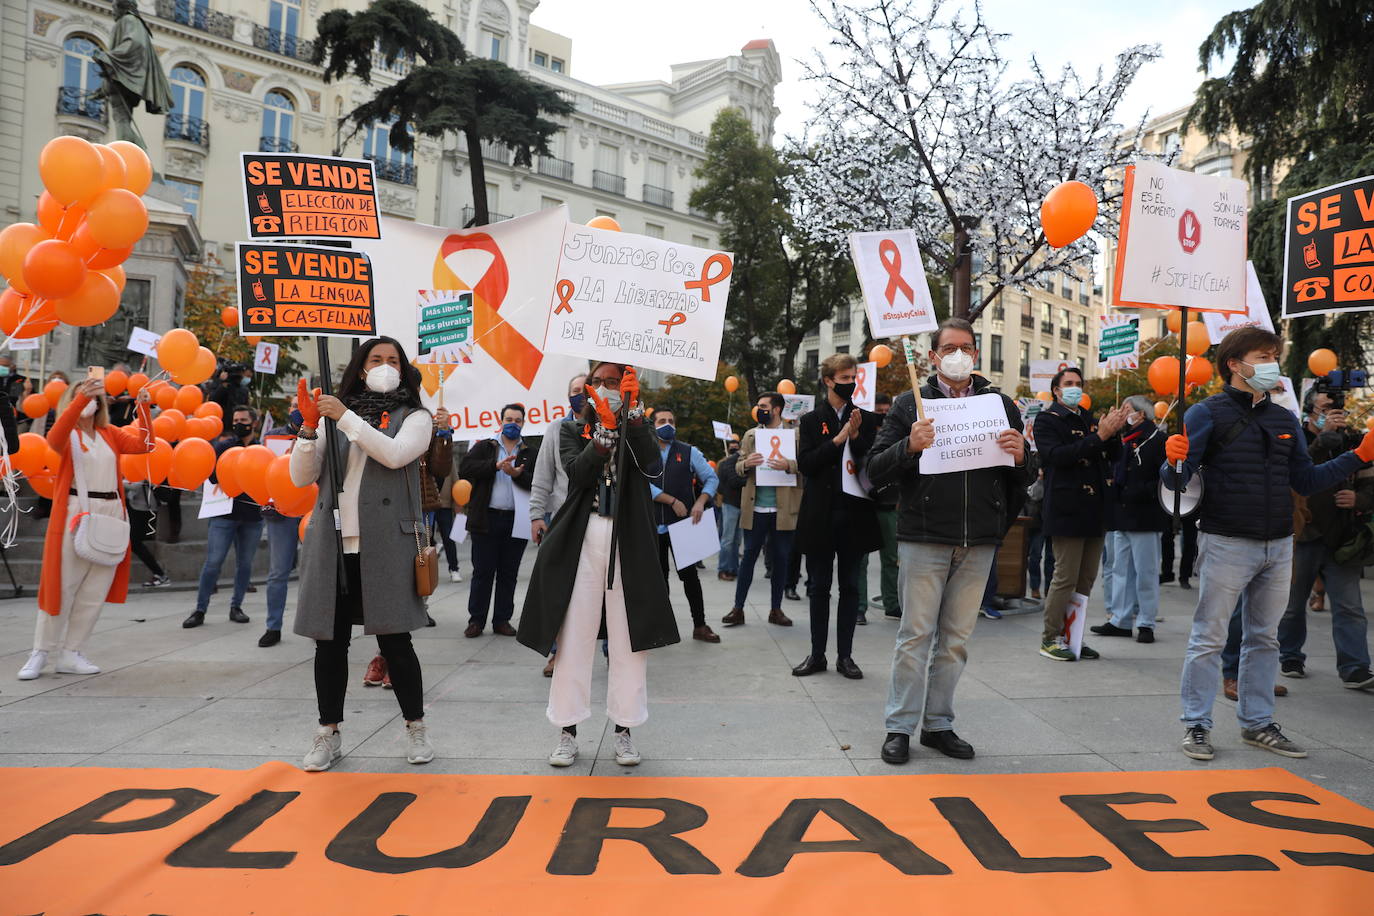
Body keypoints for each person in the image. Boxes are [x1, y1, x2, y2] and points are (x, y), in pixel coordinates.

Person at [1163, 327, 1374, 761]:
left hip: (1278, 544)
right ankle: (1197, 725)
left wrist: (1359, 456)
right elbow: (1179, 484)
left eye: (1274, 355)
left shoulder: (1283, 419)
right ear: (1234, 365)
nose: (1272, 363)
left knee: (1265, 639)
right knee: (1209, 638)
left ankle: (1257, 724)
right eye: (1264, 355)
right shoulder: (1207, 413)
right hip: (1225, 541)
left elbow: (1305, 480)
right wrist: (1171, 462)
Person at [868, 317, 1026, 762]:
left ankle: (938, 724)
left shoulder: (1000, 404)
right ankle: (899, 727)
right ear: (933, 356)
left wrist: (1022, 456)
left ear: (976, 355)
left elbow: (1022, 477)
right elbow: (875, 469)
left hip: (978, 542)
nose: (959, 355)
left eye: (968, 347)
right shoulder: (908, 405)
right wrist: (909, 447)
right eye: (950, 347)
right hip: (924, 538)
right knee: (914, 636)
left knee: (955, 640)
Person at [519, 363, 677, 768]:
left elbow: (652, 465)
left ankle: (624, 731)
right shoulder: (572, 431)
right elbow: (577, 473)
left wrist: (632, 414)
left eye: (614, 382)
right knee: (574, 634)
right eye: (601, 382)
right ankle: (567, 731)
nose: (606, 388)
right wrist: (604, 433)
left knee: (628, 638)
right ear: (588, 387)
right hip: (583, 537)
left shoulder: (638, 426)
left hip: (629, 540)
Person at [290, 337, 435, 771]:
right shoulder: (335, 417)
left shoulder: (416, 417)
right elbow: (301, 477)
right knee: (328, 644)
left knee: (395, 642)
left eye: (392, 360)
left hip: (385, 540)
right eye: (376, 359)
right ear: (360, 366)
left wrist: (345, 417)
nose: (384, 366)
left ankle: (415, 727)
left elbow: (394, 455)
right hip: (333, 544)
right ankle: (327, 732)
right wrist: (307, 428)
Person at [18, 379, 152, 680]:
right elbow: (54, 438)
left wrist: (143, 408)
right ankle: (41, 651)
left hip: (112, 511)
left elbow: (144, 444)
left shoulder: (109, 433)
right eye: (85, 394)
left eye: (95, 395)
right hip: (78, 509)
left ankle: (72, 652)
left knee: (95, 589)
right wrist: (80, 400)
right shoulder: (70, 433)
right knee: (62, 586)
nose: (92, 399)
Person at [1276, 393, 1374, 689]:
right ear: (1310, 412)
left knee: (1349, 606)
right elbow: (1294, 476)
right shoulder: (1295, 436)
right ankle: (1290, 655)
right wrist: (1322, 441)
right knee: (1292, 605)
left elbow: (1371, 483)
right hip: (1302, 534)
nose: (1332, 415)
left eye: (1336, 410)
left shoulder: (1356, 440)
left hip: (1341, 538)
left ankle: (1355, 667)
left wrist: (1360, 498)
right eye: (1324, 409)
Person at [793, 353, 881, 679]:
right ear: (829, 381)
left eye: (853, 377)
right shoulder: (812, 420)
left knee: (851, 588)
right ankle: (817, 655)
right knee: (819, 587)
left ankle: (846, 656)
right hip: (820, 515)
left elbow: (873, 463)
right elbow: (807, 464)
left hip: (854, 514)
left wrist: (856, 438)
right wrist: (839, 439)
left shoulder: (868, 419)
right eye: (844, 379)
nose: (851, 383)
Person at [1034, 367, 1127, 661]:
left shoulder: (1088, 418)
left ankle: (1073, 636)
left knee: (1086, 579)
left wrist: (1114, 432)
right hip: (1067, 509)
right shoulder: (1048, 420)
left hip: (1094, 509)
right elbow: (1057, 456)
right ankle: (1050, 637)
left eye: (1078, 383)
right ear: (1056, 390)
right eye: (1069, 384)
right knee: (1065, 576)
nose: (1075, 388)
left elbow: (1113, 456)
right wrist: (1100, 435)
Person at [1091, 395, 1168, 643]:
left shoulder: (1157, 440)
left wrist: (1138, 490)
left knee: (1145, 572)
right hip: (1120, 513)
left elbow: (1163, 479)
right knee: (1120, 569)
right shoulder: (1123, 439)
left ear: (1141, 414)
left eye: (1127, 410)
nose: (1123, 414)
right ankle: (1120, 620)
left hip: (1144, 515)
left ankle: (1146, 622)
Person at [528, 373, 589, 677]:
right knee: (558, 589)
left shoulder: (606, 428)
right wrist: (537, 515)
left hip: (598, 520)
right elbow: (543, 477)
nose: (579, 394)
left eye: (584, 389)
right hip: (562, 520)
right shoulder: (556, 429)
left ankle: (607, 650)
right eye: (574, 390)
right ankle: (556, 654)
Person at [722, 392, 798, 629]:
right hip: (755, 507)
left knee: (781, 560)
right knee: (749, 559)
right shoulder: (751, 435)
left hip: (783, 509)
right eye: (758, 406)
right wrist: (747, 464)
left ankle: (776, 609)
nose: (759, 410)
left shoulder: (794, 436)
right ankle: (738, 608)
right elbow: (738, 465)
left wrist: (789, 465)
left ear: (777, 410)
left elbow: (804, 467)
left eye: (764, 406)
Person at [183, 406, 263, 629]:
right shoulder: (224, 446)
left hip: (252, 516)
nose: (239, 423)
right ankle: (200, 609)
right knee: (213, 563)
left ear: (254, 423)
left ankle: (236, 606)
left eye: (243, 419)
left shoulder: (262, 449)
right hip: (223, 515)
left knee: (245, 564)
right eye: (235, 419)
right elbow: (211, 475)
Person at [459, 404, 536, 638]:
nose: (513, 423)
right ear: (500, 420)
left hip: (517, 521)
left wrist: (518, 474)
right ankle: (476, 620)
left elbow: (538, 482)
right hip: (487, 518)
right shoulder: (486, 447)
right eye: (509, 419)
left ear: (524, 423)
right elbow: (466, 469)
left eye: (518, 420)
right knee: (482, 572)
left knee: (508, 573)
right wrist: (494, 467)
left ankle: (502, 619)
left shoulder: (530, 452)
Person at [649, 408, 720, 643]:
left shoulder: (689, 452)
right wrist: (671, 500)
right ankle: (661, 628)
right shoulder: (644, 451)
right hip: (652, 524)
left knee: (690, 578)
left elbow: (711, 478)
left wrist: (700, 502)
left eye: (670, 420)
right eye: (661, 421)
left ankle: (700, 625)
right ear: (653, 425)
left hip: (683, 526)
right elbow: (640, 483)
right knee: (658, 580)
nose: (667, 424)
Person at [257, 407, 307, 648]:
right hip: (281, 512)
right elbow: (261, 469)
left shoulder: (324, 433)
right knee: (278, 572)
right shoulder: (273, 437)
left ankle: (314, 625)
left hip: (311, 510)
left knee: (314, 572)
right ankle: (273, 626)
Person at [857, 391, 901, 622]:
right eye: (878, 412)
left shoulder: (895, 433)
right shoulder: (861, 436)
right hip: (865, 505)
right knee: (860, 559)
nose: (882, 415)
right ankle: (859, 607)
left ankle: (892, 603)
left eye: (886, 411)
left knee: (892, 559)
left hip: (889, 505)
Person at [123, 478, 168, 587]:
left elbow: (135, 485)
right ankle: (160, 574)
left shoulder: (143, 466)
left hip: (144, 508)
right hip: (136, 505)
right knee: (133, 543)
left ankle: (160, 575)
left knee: (135, 543)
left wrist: (117, 480)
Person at [716, 437, 744, 581]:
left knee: (737, 540)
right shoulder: (726, 463)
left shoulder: (742, 462)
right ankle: (723, 569)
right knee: (727, 539)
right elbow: (728, 483)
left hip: (741, 504)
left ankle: (733, 569)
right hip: (730, 504)